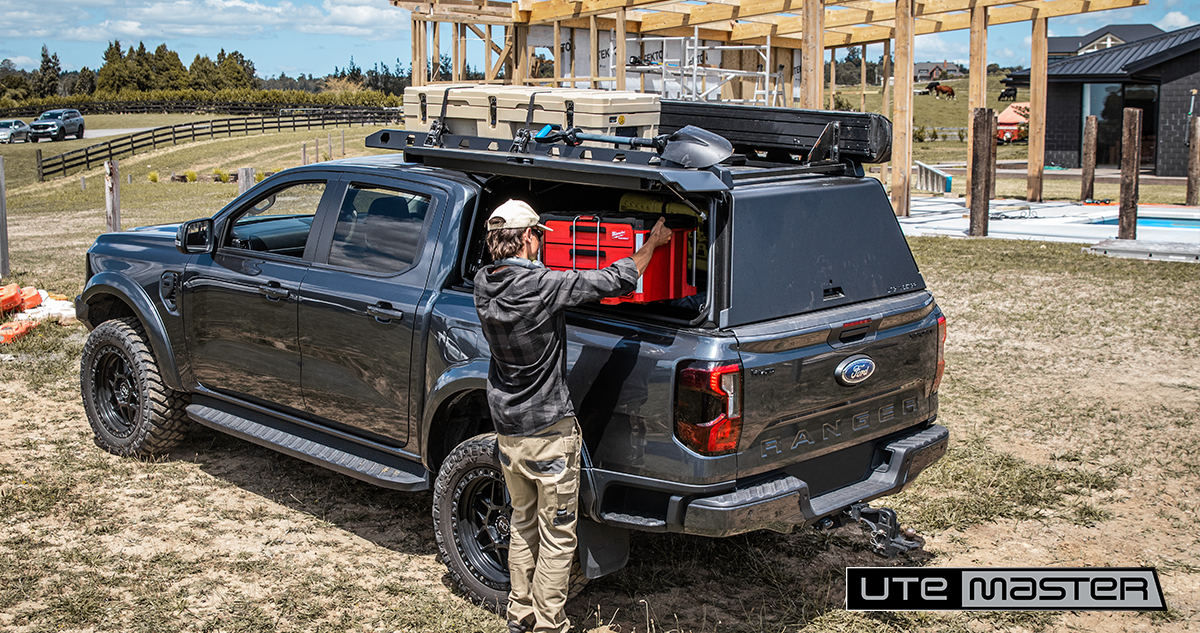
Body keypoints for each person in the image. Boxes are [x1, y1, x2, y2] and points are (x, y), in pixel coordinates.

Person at [473, 199, 672, 633]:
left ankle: (520, 614)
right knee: (558, 534)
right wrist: (653, 243)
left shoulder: (482, 284)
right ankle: (549, 624)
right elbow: (616, 279)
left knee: (522, 523)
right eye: (539, 235)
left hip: (508, 430)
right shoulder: (542, 285)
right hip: (548, 432)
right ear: (527, 237)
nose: (542, 242)